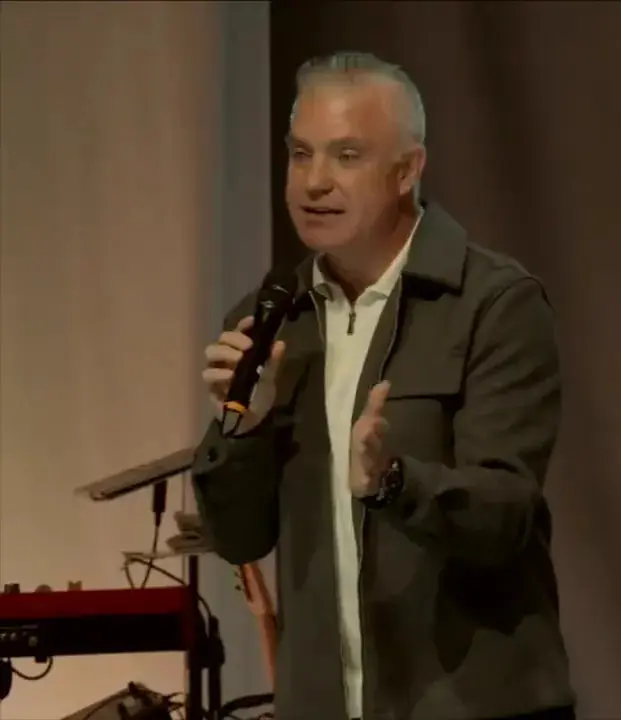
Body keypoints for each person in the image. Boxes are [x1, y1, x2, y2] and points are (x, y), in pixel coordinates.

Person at [192, 52, 574, 720]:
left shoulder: (492, 303)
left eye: (346, 156)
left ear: (407, 171)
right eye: (300, 154)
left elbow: (504, 516)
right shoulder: (273, 320)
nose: (313, 183)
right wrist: (244, 430)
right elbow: (240, 538)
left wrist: (394, 482)